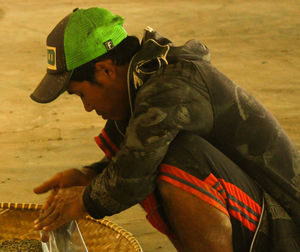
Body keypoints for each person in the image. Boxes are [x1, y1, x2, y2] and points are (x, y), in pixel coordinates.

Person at [30, 7, 299, 251]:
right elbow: (127, 163)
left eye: (81, 95)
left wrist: (84, 200)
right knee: (150, 156)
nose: (87, 107)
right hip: (262, 220)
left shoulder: (170, 85)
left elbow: (132, 175)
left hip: (285, 229)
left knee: (175, 156)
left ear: (106, 71)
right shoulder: (139, 86)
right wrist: (87, 176)